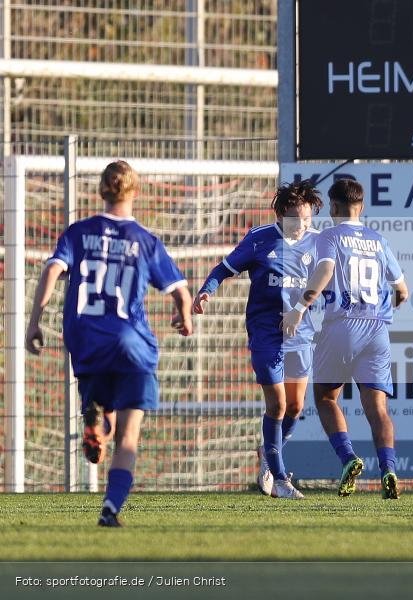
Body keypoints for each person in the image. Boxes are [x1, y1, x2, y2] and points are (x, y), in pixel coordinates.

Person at [25, 160, 193, 527]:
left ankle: (96, 424)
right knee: (128, 435)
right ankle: (111, 508)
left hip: (86, 340)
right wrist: (185, 317)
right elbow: (180, 290)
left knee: (105, 418)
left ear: (101, 191)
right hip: (131, 342)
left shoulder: (78, 232)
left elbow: (52, 268)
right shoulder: (145, 240)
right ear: (135, 192)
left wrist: (34, 322)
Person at [193, 181, 322, 499]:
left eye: (307, 218)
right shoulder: (259, 239)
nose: (301, 225)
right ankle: (280, 479)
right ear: (280, 215)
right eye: (295, 218)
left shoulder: (318, 243)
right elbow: (222, 269)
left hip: (301, 335)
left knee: (295, 405)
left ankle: (269, 454)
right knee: (276, 405)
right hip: (265, 333)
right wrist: (206, 291)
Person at [286, 179, 409, 499]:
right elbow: (403, 291)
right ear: (362, 207)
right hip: (377, 330)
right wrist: (381, 310)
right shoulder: (379, 240)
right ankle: (389, 469)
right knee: (378, 409)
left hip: (342, 325)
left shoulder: (329, 236)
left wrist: (300, 306)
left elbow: (325, 270)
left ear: (335, 207)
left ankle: (348, 458)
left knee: (326, 398)